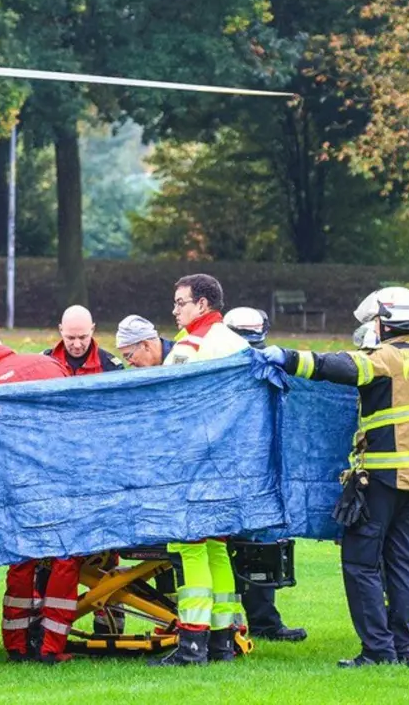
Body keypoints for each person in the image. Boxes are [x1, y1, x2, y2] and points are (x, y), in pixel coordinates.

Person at [262, 286, 409, 667]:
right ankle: (404, 651)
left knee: (361, 563)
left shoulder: (388, 358)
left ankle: (377, 651)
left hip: (380, 477)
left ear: (387, 321)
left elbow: (339, 366)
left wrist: (288, 358)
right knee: (402, 565)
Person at [0, 334, 82, 663]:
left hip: (17, 483)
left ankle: (16, 644)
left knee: (21, 558)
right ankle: (51, 647)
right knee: (64, 558)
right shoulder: (50, 363)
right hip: (60, 476)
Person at [155, 274, 251, 666]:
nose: (175, 310)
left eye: (181, 302)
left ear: (203, 305)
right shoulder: (238, 342)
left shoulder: (190, 346)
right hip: (230, 463)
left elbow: (169, 400)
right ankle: (222, 643)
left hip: (193, 460)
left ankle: (192, 646)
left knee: (191, 548)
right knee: (217, 549)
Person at [220, 307, 308, 644]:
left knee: (259, 544)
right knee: (234, 546)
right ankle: (241, 623)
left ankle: (262, 622)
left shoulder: (268, 364)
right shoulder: (219, 365)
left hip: (257, 471)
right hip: (232, 471)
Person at [43, 305, 122, 375]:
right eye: (70, 338)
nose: (77, 345)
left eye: (83, 337)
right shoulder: (43, 363)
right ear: (61, 330)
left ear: (92, 329)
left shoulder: (111, 368)